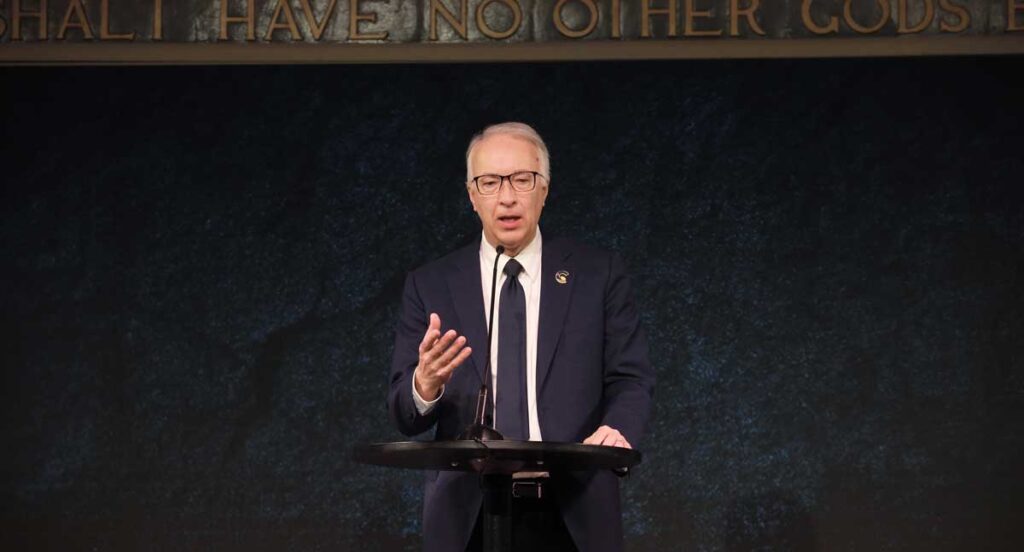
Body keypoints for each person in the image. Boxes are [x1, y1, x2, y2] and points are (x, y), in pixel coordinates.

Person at [387, 122, 654, 552]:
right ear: (472, 196)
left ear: (544, 189)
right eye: (490, 182)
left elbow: (631, 378)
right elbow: (405, 413)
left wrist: (616, 429)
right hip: (469, 516)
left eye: (522, 180)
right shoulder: (431, 284)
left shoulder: (597, 274)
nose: (507, 197)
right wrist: (425, 385)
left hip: (573, 510)